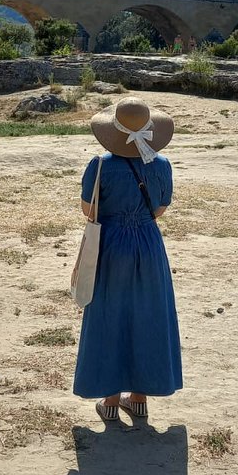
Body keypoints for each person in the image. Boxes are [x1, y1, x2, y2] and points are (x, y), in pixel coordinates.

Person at [73, 97, 182, 422]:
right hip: (148, 245)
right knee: (148, 314)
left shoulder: (100, 165)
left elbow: (89, 210)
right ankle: (139, 398)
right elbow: (160, 209)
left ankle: (109, 400)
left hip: (110, 245)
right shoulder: (161, 165)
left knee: (109, 315)